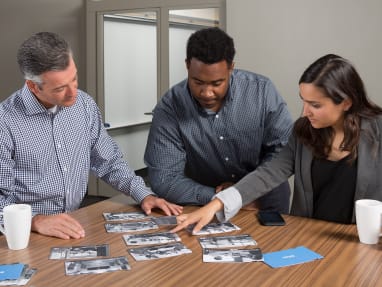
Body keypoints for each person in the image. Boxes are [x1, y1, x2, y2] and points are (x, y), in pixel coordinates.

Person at [172, 53, 382, 233]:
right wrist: (215, 205)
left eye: (315, 105)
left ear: (346, 102)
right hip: (310, 237)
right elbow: (268, 174)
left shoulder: (378, 130)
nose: (304, 112)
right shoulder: (303, 131)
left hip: (360, 243)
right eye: (303, 100)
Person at [0, 32, 182, 239]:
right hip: (23, 233)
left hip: (74, 223)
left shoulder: (84, 105)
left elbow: (108, 161)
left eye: (74, 79)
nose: (73, 93)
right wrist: (35, 220)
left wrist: (143, 194)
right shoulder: (4, 122)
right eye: (60, 88)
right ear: (33, 86)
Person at [144, 27, 293, 213]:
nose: (206, 93)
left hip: (263, 193)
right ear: (187, 65)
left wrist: (243, 192)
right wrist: (219, 199)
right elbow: (164, 178)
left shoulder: (262, 92)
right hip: (203, 198)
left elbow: (283, 153)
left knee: (277, 242)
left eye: (216, 83)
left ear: (231, 67)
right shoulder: (170, 107)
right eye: (197, 82)